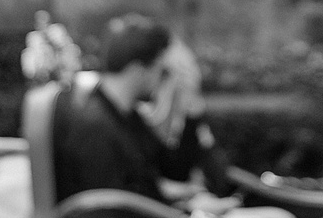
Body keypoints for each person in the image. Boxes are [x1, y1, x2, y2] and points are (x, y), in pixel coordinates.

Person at [46, 17, 233, 208]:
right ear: (139, 69)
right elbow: (115, 211)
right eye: (163, 70)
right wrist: (184, 209)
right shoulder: (95, 126)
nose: (164, 80)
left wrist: (192, 110)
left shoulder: (127, 117)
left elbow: (171, 170)